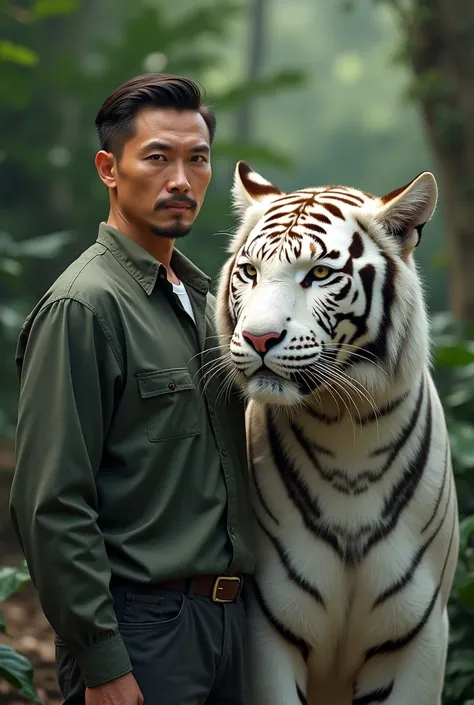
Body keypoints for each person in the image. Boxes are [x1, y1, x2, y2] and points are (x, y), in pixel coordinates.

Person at [9, 73, 255, 705]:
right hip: (141, 634)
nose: (180, 179)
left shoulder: (210, 307)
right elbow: (52, 503)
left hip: (233, 627)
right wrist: (102, 660)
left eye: (197, 160)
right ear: (108, 169)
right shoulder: (83, 308)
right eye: (157, 157)